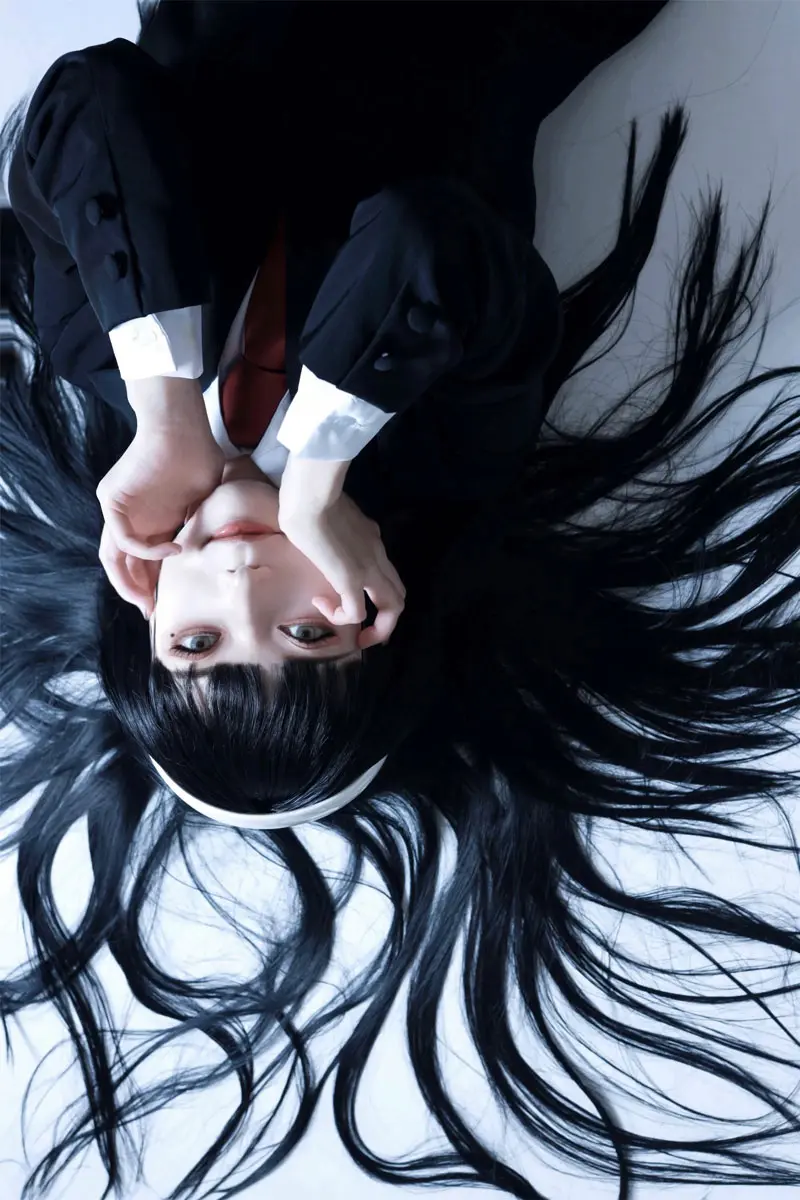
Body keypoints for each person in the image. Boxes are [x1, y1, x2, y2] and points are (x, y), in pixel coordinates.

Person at [1, 2, 799, 1197]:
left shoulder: (102, 369)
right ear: (378, 611)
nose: (241, 581)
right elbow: (427, 239)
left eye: (198, 639)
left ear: (140, 600)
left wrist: (165, 409)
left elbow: (88, 98)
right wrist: (317, 471)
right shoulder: (453, 448)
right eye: (304, 631)